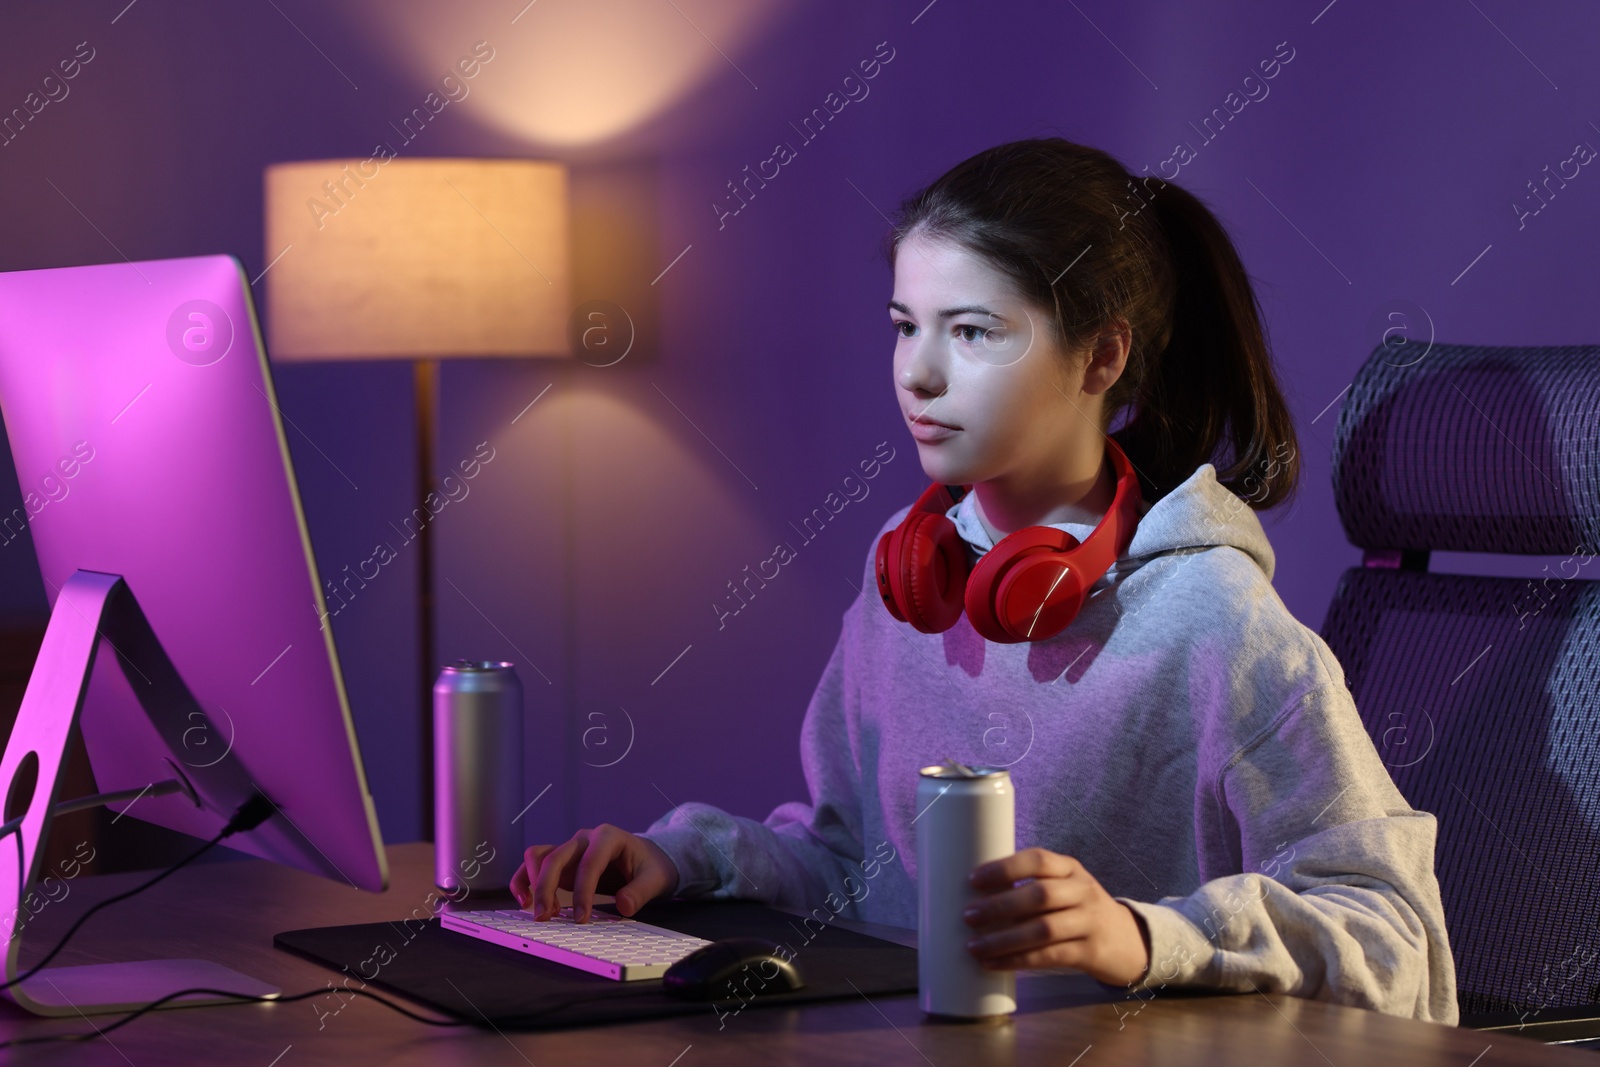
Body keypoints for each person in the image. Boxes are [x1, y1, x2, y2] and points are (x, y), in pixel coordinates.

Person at [509, 137, 1459, 1024]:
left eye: (970, 331)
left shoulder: (1215, 621)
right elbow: (851, 863)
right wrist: (679, 860)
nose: (917, 373)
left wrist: (1143, 935)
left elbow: (1398, 938)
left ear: (1101, 354)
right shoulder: (911, 574)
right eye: (905, 325)